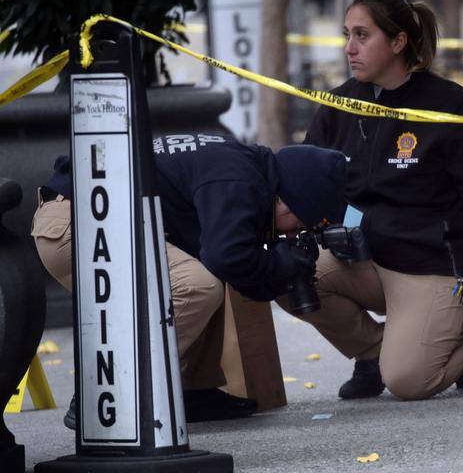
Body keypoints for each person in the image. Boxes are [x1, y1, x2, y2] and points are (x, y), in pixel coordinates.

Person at [282, 0, 463, 401]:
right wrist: (325, 230)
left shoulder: (451, 108)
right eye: (347, 35)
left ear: (398, 43)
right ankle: (372, 353)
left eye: (362, 35)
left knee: (408, 382)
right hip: (365, 261)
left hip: (435, 267)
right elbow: (305, 190)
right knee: (280, 273)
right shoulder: (337, 106)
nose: (349, 48)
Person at [31, 133, 347, 427]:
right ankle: (106, 389)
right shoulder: (240, 180)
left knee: (205, 272)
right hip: (79, 225)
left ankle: (188, 391)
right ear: (287, 200)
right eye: (297, 225)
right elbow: (228, 257)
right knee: (195, 285)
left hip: (89, 215)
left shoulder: (243, 168)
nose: (290, 234)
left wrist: (281, 274)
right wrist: (277, 263)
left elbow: (235, 271)